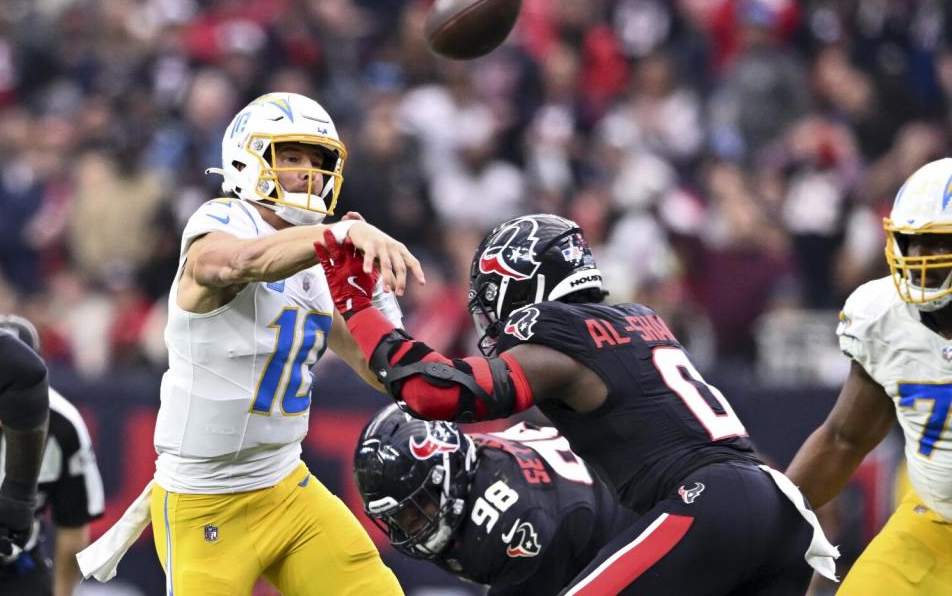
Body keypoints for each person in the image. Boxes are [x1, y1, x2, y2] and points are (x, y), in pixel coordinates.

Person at [314, 213, 839, 595]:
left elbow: (435, 392)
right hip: (779, 510)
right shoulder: (637, 319)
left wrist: (360, 306)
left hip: (708, 505)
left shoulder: (558, 336)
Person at [78, 92, 422, 595]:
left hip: (285, 485)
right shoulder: (222, 222)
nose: (307, 172)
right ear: (248, 157)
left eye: (316, 161)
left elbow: (380, 371)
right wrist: (334, 241)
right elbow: (238, 263)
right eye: (291, 157)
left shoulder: (318, 254)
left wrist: (375, 300)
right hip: (204, 503)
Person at [786, 158, 952, 594]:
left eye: (935, 244)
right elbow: (846, 437)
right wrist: (773, 518)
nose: (918, 258)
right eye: (910, 242)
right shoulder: (884, 316)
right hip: (936, 524)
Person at [353, 405, 640, 595]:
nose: (410, 529)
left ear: (446, 475)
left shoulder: (513, 526)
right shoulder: (467, 468)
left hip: (626, 541)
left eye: (415, 512)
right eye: (397, 519)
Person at [0, 314, 105, 596]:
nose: (1, 399)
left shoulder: (63, 423)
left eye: (13, 386)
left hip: (15, 569)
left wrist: (63, 592)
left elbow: (74, 523)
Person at [0, 313, 49, 583]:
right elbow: (25, 370)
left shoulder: (62, 422)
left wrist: (17, 496)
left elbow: (25, 370)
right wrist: (19, 496)